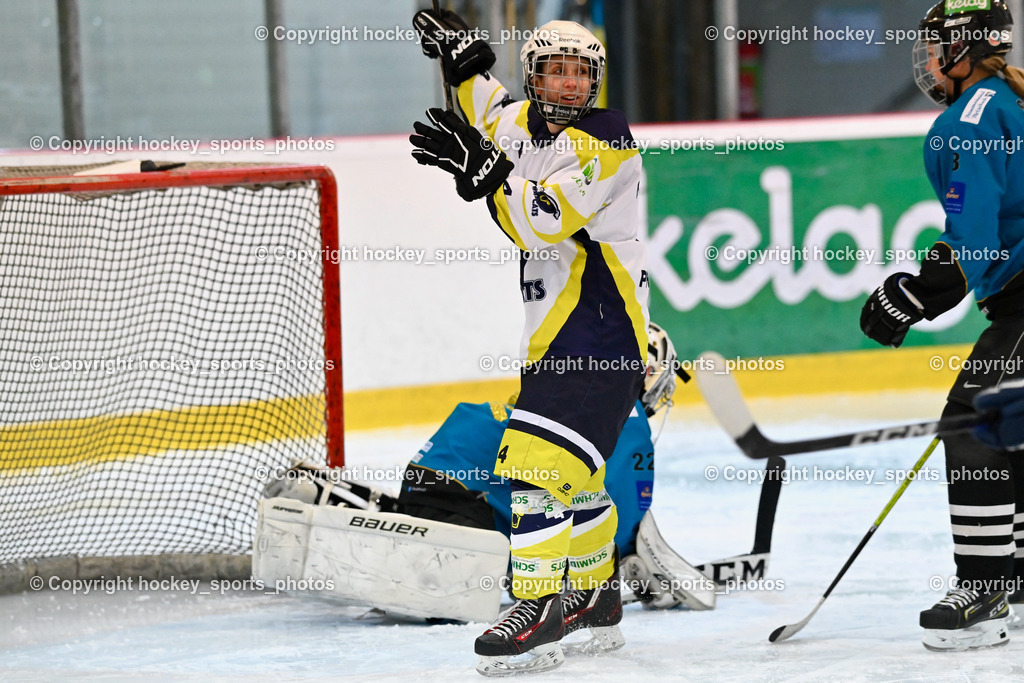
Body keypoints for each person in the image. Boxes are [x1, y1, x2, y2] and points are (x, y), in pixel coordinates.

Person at [410, 9, 649, 675]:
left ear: (596, 81)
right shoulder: (523, 125)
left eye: (581, 72)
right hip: (556, 337)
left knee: (534, 465)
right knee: (578, 475)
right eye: (554, 70)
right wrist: (462, 62)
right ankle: (595, 593)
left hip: (600, 335)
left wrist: (484, 170)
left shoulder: (606, 140)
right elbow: (488, 111)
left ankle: (539, 607)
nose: (569, 83)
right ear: (534, 76)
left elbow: (539, 221)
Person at [859, 0, 1024, 651]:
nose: (928, 60)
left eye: (935, 46)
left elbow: (974, 238)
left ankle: (985, 592)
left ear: (962, 48)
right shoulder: (1010, 103)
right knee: (1011, 423)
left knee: (974, 422)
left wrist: (912, 294)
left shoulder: (971, 119)